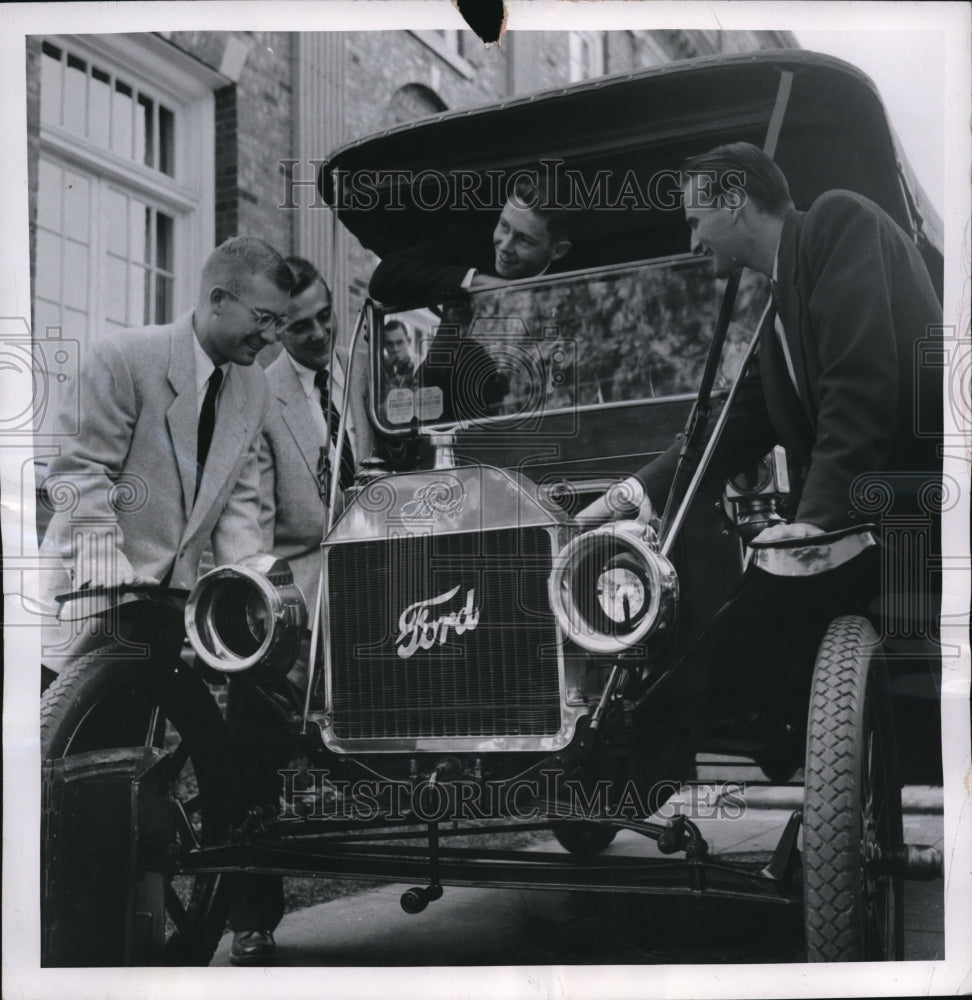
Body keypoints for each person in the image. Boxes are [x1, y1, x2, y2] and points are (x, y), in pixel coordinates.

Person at [578, 142, 943, 550]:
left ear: (735, 202)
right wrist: (636, 491)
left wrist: (816, 520)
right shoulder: (776, 318)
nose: (693, 243)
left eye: (696, 222)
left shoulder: (837, 219)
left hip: (928, 530)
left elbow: (858, 383)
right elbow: (737, 421)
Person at [39, 235, 293, 649]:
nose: (271, 336)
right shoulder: (122, 358)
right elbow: (80, 470)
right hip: (77, 610)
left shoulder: (254, 390)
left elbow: (238, 509)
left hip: (163, 619)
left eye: (278, 322)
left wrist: (249, 596)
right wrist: (103, 561)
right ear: (217, 300)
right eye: (263, 318)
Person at [257, 257, 362, 609]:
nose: (319, 333)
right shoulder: (260, 403)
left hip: (392, 592)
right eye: (301, 326)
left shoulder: (368, 372)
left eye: (325, 315)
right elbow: (259, 540)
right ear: (276, 330)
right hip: (309, 614)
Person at [368, 175, 573, 305]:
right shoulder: (468, 241)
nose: (505, 246)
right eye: (504, 226)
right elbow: (384, 278)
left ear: (558, 251)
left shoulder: (583, 281)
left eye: (524, 240)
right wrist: (473, 281)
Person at [381, 319, 416, 389]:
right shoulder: (380, 370)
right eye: (389, 344)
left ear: (409, 341)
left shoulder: (418, 367)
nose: (395, 349)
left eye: (399, 343)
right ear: (384, 345)